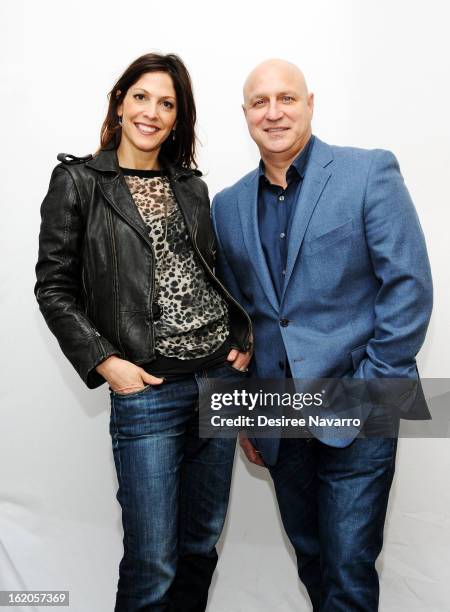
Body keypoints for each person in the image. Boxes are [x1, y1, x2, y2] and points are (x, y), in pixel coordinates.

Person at [211, 58, 433, 611]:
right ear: (245, 116)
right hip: (280, 421)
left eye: (286, 98)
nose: (274, 112)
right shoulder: (228, 205)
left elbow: (408, 285)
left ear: (311, 104)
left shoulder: (368, 172)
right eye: (259, 102)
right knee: (314, 565)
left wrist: (373, 388)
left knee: (349, 572)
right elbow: (244, 318)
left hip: (359, 406)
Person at [34, 52, 252, 612]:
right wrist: (106, 361)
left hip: (218, 383)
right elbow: (54, 287)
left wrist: (239, 339)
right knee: (152, 562)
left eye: (167, 103)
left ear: (178, 119)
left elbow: (212, 271)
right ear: (120, 101)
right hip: (148, 392)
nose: (151, 112)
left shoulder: (192, 186)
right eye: (141, 97)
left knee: (200, 546)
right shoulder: (79, 181)